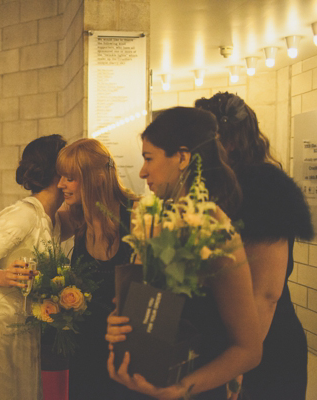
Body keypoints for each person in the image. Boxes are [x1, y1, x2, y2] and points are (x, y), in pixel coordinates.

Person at [106, 107, 262, 399]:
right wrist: (119, 324)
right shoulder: (155, 221)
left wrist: (181, 389)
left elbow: (249, 350)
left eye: (148, 158)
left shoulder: (215, 229)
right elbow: (144, 308)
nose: (142, 172)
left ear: (182, 157)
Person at [195, 93, 313, 400]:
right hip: (226, 340)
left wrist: (237, 365)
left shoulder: (265, 189)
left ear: (230, 141)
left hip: (264, 346)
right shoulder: (213, 187)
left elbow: (266, 293)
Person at [0, 134, 67, 400]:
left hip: (30, 330)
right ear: (57, 170)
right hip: (1, 331)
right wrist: (0, 276)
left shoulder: (56, 218)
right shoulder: (24, 214)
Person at [55, 138, 138, 399]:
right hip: (85, 349)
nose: (61, 185)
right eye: (61, 177)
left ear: (96, 178)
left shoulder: (136, 215)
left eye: (70, 178)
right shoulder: (75, 219)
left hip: (125, 350)